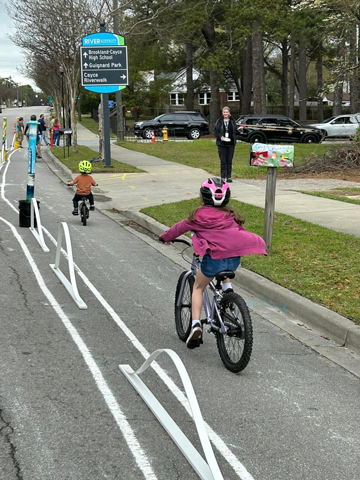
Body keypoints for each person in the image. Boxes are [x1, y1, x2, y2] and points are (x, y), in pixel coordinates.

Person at [160, 177, 267, 348]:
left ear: (202, 197)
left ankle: (195, 325)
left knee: (198, 287)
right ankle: (228, 292)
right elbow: (237, 235)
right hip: (233, 261)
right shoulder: (231, 216)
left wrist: (165, 237)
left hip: (213, 261)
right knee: (225, 261)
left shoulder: (196, 217)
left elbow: (177, 229)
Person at [213, 106, 238, 183]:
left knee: (229, 161)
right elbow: (215, 132)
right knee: (223, 161)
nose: (225, 113)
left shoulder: (232, 121)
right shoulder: (219, 121)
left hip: (231, 144)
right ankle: (223, 177)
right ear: (222, 113)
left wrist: (240, 130)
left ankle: (229, 176)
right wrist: (221, 137)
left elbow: (235, 131)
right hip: (222, 144)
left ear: (229, 113)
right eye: (224, 112)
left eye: (227, 112)